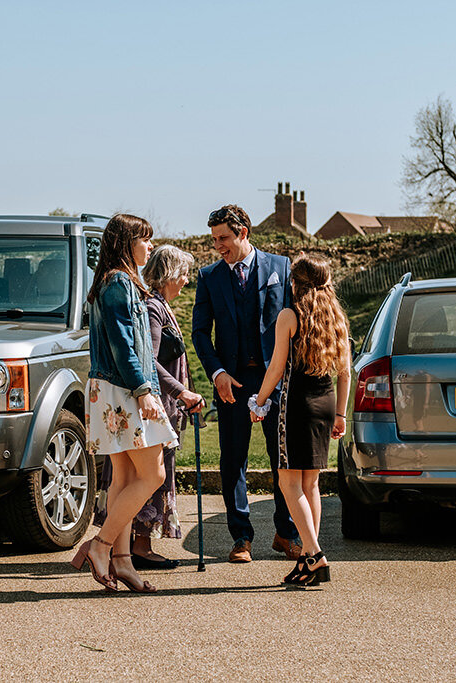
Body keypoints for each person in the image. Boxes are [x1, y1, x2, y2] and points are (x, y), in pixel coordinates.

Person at [72, 214, 177, 593]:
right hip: (124, 390)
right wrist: (144, 391)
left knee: (126, 477)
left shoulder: (115, 281)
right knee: (153, 475)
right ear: (126, 242)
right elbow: (123, 346)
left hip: (113, 389)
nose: (150, 246)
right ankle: (100, 546)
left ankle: (122, 561)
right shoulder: (118, 283)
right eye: (144, 239)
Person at [192, 205, 301, 563]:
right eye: (214, 240)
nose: (218, 246)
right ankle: (241, 538)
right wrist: (217, 373)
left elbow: (295, 320)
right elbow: (200, 333)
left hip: (274, 378)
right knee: (232, 459)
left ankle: (286, 534)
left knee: (281, 458)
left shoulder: (281, 268)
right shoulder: (209, 277)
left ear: (243, 233)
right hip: (232, 382)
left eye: (223, 238)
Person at [91, 245, 204, 569]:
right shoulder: (149, 305)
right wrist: (179, 392)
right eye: (183, 273)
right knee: (150, 475)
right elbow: (147, 359)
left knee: (129, 477)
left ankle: (117, 553)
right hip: (149, 403)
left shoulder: (151, 303)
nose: (186, 280)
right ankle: (116, 546)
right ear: (171, 273)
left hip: (150, 399)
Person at [250, 255, 351, 586]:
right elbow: (345, 372)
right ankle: (309, 560)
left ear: (295, 283)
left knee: (288, 482)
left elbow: (277, 368)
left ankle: (315, 554)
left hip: (296, 407)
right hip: (325, 405)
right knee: (311, 484)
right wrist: (340, 414)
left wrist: (259, 400)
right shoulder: (336, 316)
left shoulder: (289, 316)